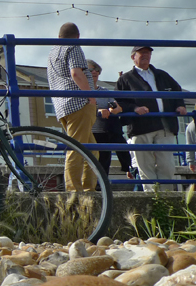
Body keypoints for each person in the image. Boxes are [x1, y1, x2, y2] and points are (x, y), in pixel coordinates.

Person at [115, 45, 186, 192]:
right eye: (142, 53)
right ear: (133, 57)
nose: (146, 55)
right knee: (145, 166)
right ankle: (152, 198)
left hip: (165, 125)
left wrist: (180, 106)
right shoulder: (125, 79)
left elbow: (177, 91)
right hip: (141, 127)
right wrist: (134, 109)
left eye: (148, 53)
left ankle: (166, 199)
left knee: (166, 165)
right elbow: (119, 101)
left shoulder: (162, 75)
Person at [47, 22, 97, 192]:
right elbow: (76, 73)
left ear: (59, 37)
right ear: (77, 36)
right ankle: (74, 190)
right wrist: (90, 95)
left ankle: (89, 188)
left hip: (62, 106)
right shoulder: (73, 47)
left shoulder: (52, 53)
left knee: (91, 149)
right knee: (77, 148)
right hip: (78, 102)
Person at [87, 60, 132, 178]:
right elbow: (81, 110)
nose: (94, 72)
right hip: (90, 131)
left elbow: (115, 104)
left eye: (97, 70)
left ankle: (102, 189)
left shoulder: (104, 91)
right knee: (91, 163)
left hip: (105, 131)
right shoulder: (81, 91)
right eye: (91, 70)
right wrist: (98, 112)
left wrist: (116, 108)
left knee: (103, 165)